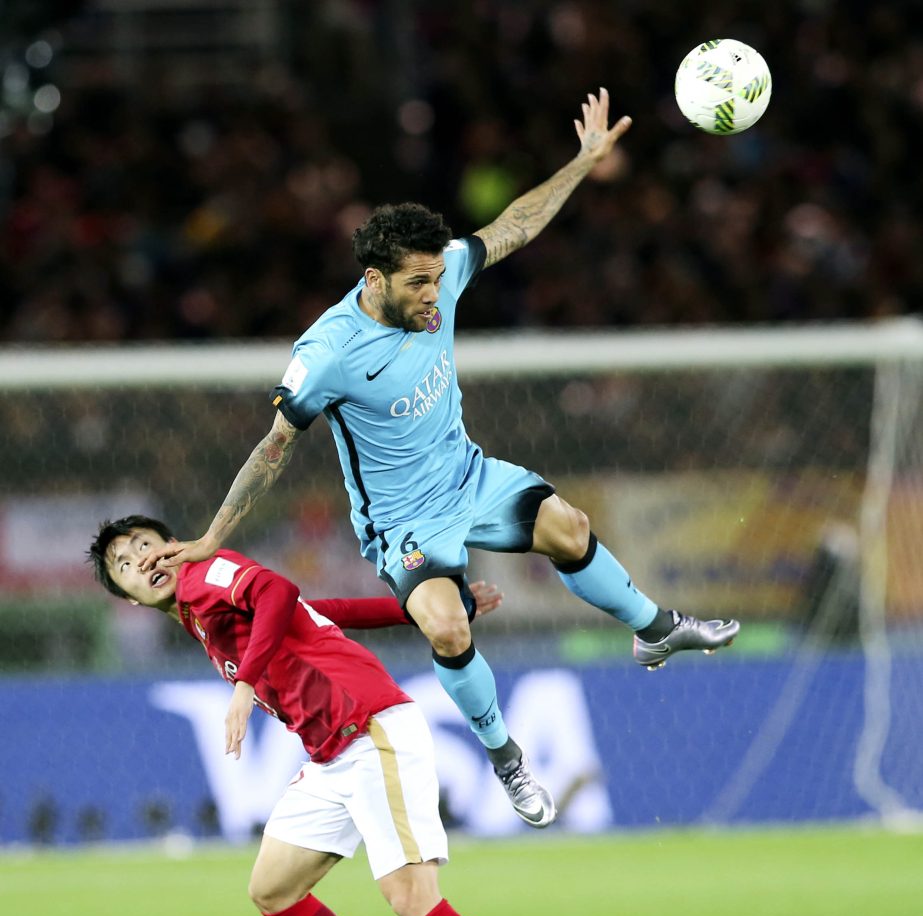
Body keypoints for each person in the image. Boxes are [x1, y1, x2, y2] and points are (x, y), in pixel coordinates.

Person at [141, 89, 739, 830]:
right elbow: (273, 450)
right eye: (418, 284)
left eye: (437, 278)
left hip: (468, 475)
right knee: (449, 629)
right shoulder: (324, 356)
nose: (435, 295)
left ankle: (654, 629)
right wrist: (210, 537)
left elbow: (513, 226)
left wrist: (582, 162)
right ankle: (506, 759)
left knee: (569, 526)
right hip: (400, 521)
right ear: (373, 280)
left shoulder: (443, 272)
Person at [87, 515, 544, 916]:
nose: (143, 561)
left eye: (147, 546)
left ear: (175, 548)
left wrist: (245, 683)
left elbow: (280, 591)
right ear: (128, 598)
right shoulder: (200, 614)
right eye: (125, 565)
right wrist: (422, 612)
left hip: (370, 728)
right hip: (331, 754)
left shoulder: (204, 573)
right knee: (273, 890)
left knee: (411, 896)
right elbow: (322, 611)